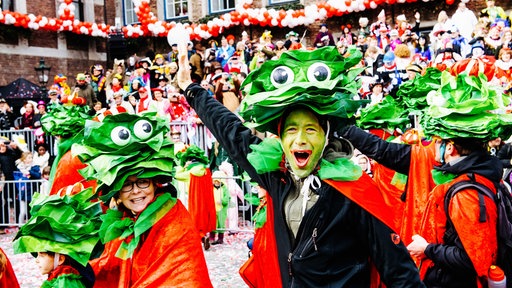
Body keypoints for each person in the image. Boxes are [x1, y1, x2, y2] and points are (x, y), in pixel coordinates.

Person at [178, 41, 424, 286]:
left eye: (310, 130)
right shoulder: (277, 175)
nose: (300, 139)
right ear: (281, 137)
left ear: (326, 136)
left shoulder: (355, 192)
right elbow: (232, 133)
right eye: (291, 130)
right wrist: (192, 89)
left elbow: (400, 273)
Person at [342, 71, 510, 287]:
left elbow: (474, 260)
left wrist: (427, 249)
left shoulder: (467, 193)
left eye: (437, 141)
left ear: (449, 147)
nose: (432, 145)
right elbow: (382, 151)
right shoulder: (483, 175)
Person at [73, 113, 212, 287]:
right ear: (117, 194)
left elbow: (182, 277)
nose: (137, 191)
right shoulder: (125, 218)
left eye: (143, 182)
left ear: (155, 184)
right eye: (127, 185)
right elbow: (112, 265)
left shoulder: (173, 217)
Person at [13, 188, 100, 288]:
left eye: (41, 255)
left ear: (60, 259)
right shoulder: (61, 276)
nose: (36, 260)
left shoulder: (65, 281)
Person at [211, 170, 230, 245]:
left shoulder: (224, 188)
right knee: (212, 223)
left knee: (221, 223)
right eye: (215, 181)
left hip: (222, 209)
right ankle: (212, 238)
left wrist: (222, 201)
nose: (216, 182)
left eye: (218, 181)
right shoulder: (211, 188)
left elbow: (227, 197)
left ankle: (220, 238)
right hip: (213, 208)